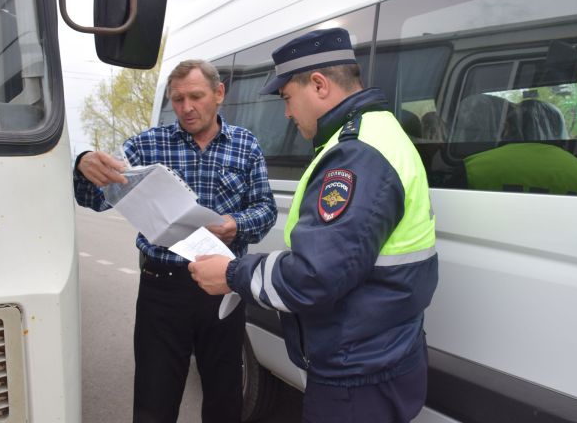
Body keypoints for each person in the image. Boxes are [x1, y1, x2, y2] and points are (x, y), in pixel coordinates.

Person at [188, 28, 438, 423]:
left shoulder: (356, 155)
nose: (286, 114)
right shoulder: (379, 133)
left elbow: (315, 276)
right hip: (382, 352)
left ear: (319, 85)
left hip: (357, 370)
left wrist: (233, 273)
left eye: (287, 98)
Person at [72, 59, 278, 423]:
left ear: (218, 94)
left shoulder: (245, 146)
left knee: (224, 396)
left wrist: (235, 224)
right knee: (154, 398)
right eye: (177, 99)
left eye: (195, 96)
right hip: (162, 289)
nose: (186, 108)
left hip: (222, 287)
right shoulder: (148, 145)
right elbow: (97, 198)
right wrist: (84, 165)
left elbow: (265, 209)